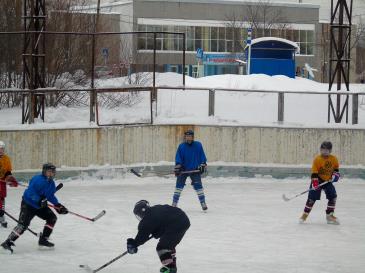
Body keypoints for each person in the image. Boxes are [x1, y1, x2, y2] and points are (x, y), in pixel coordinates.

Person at [1, 163, 68, 253]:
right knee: (23, 225)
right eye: (49, 172)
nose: (51, 174)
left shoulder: (51, 183)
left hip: (40, 206)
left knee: (52, 218)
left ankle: (43, 239)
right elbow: (30, 193)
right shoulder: (37, 179)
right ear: (44, 171)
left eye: (53, 172)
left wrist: (58, 205)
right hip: (28, 204)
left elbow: (50, 195)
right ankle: (7, 243)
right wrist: (39, 200)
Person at [126, 200, 190, 273]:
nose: (140, 216)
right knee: (169, 245)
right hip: (184, 221)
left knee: (162, 248)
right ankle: (171, 264)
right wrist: (159, 230)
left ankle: (170, 268)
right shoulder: (155, 209)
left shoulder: (147, 219)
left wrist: (134, 244)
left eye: (139, 214)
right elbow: (166, 219)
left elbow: (142, 235)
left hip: (176, 225)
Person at [299, 141, 341, 225]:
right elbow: (314, 172)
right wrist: (315, 183)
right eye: (323, 149)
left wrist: (335, 176)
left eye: (327, 150)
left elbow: (336, 169)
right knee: (311, 198)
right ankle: (304, 215)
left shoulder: (334, 159)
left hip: (328, 181)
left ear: (330, 150)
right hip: (318, 180)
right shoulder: (317, 159)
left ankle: (329, 215)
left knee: (333, 196)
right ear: (320, 149)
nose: (324, 151)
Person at [172, 130, 208, 211]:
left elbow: (202, 156)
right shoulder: (181, 146)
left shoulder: (198, 145)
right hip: (183, 169)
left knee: (198, 186)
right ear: (185, 137)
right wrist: (178, 166)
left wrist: (203, 164)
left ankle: (203, 202)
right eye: (187, 136)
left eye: (190, 136)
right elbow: (178, 157)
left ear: (192, 137)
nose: (188, 137)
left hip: (195, 169)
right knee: (179, 186)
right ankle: (174, 203)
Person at [0, 140, 18, 228]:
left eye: (2, 149)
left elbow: (8, 171)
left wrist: (10, 179)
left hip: (2, 182)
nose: (1, 150)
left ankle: (1, 216)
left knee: (2, 197)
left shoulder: (6, 158)